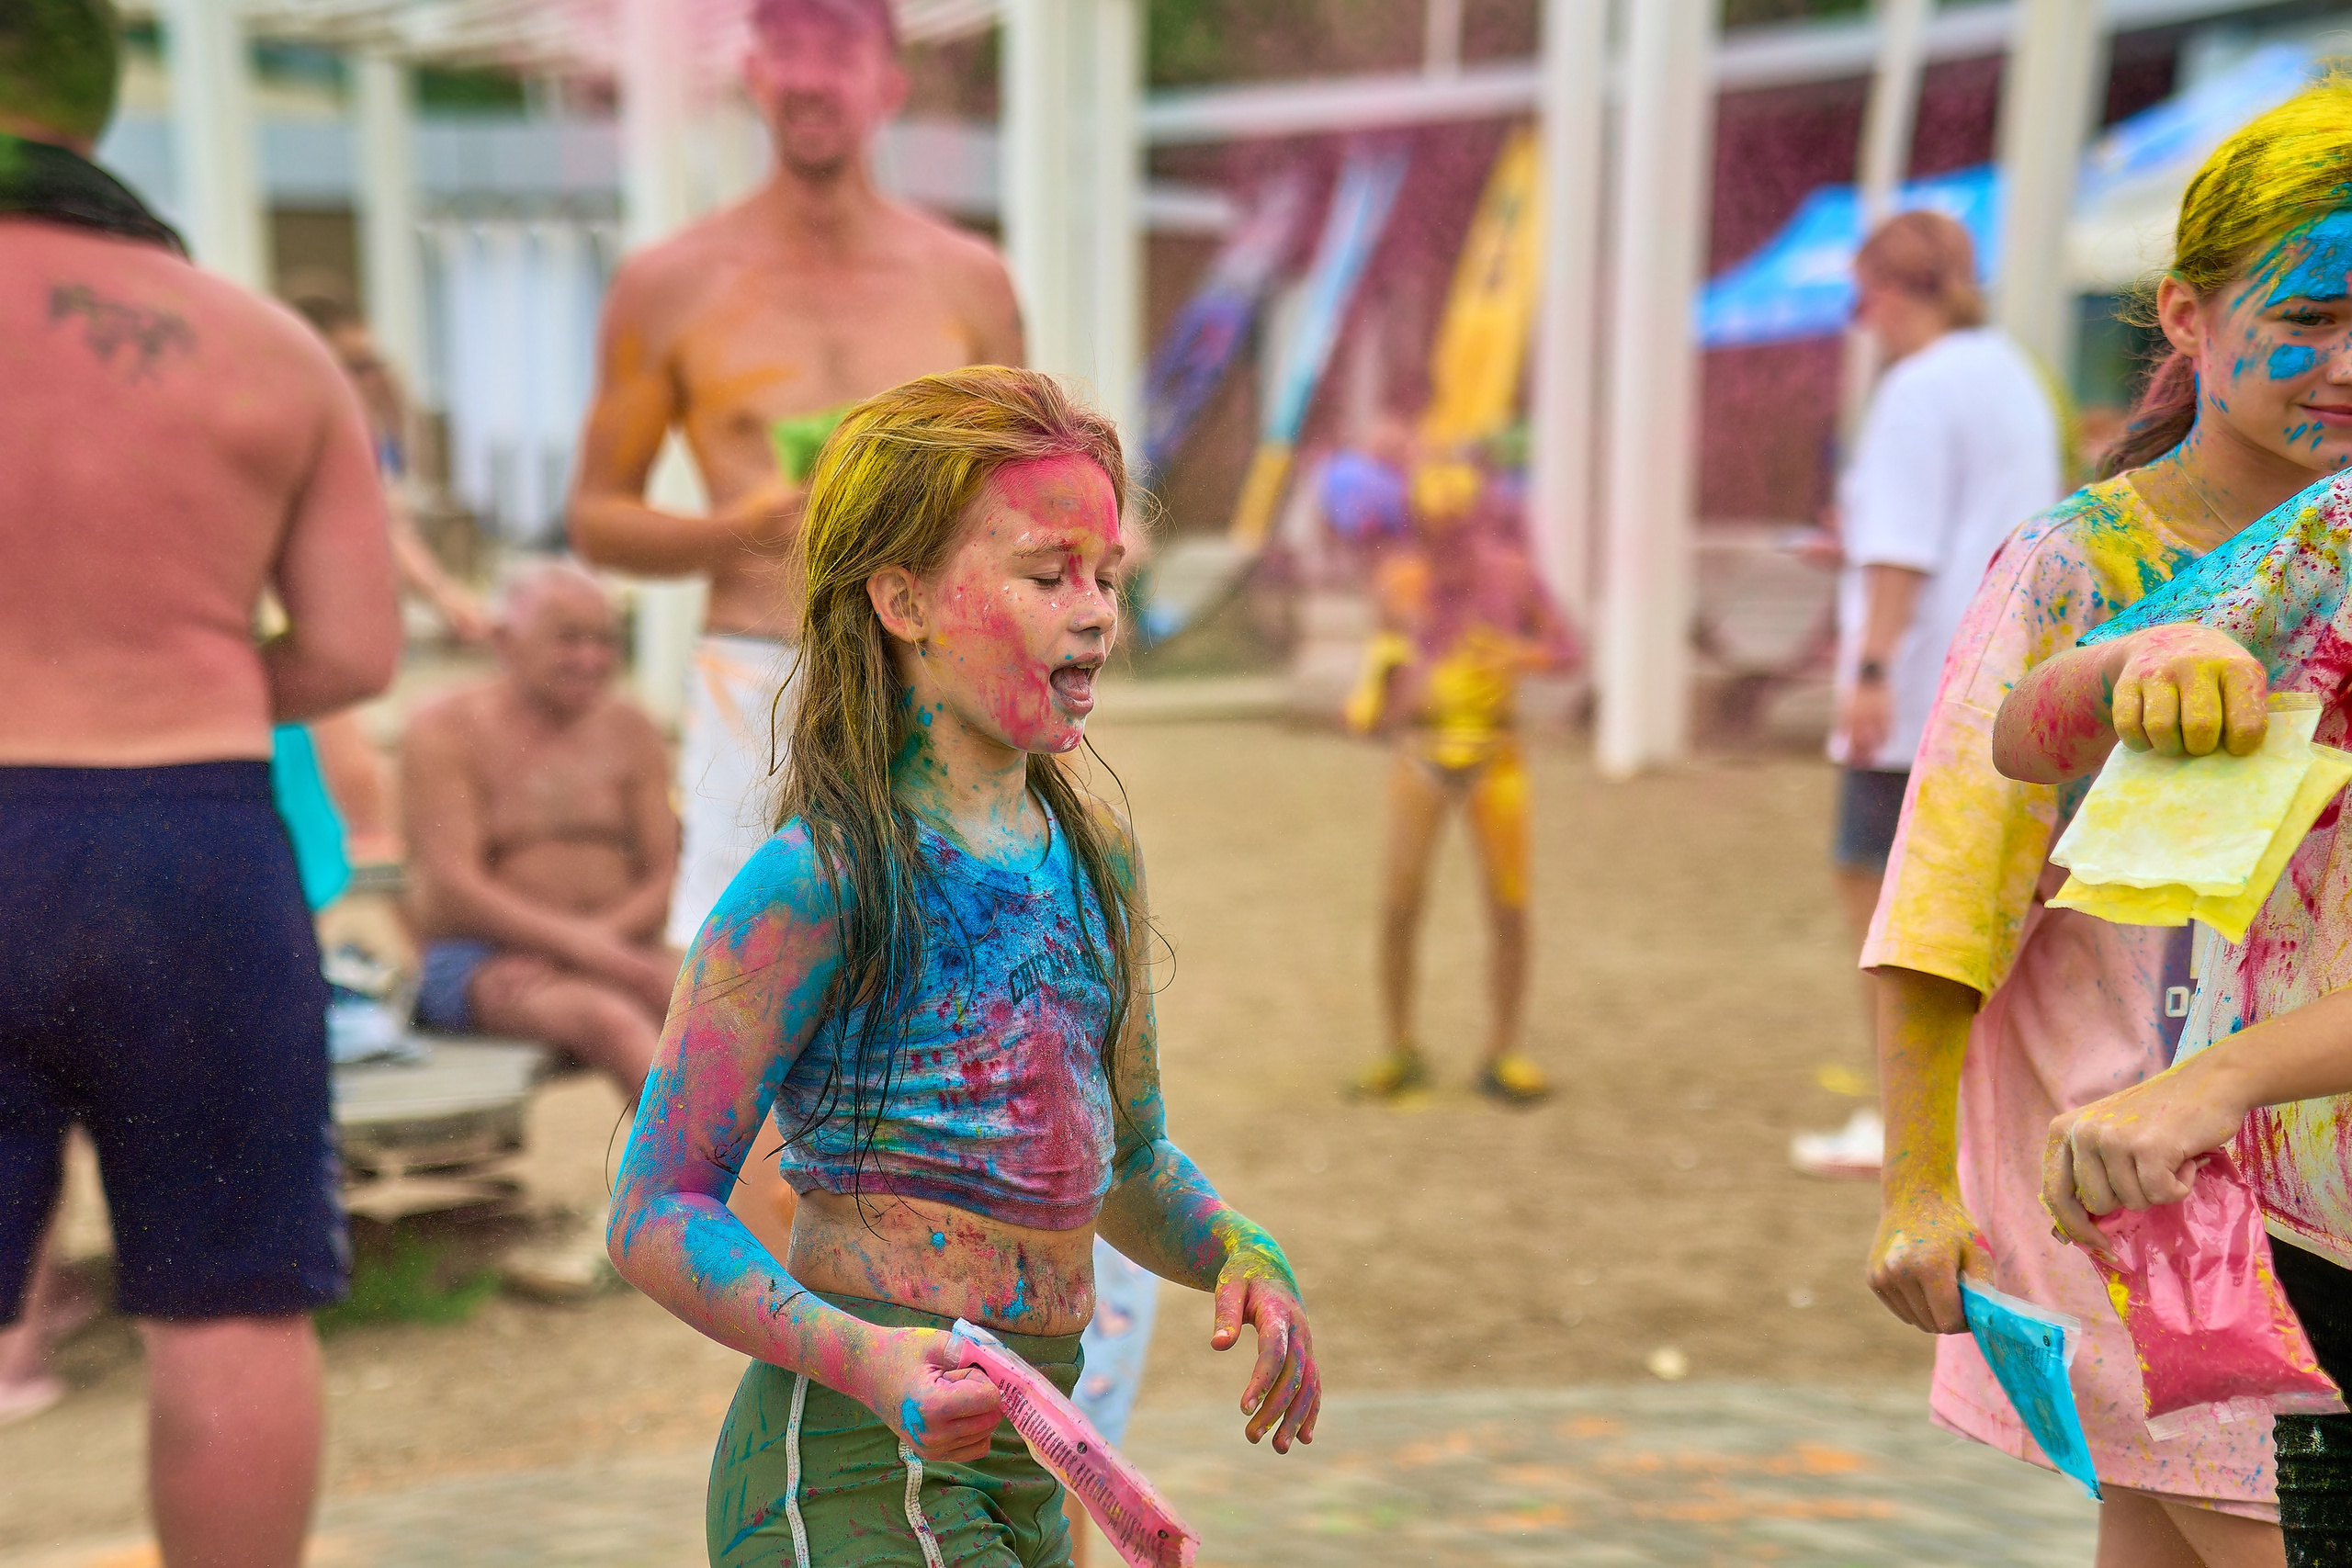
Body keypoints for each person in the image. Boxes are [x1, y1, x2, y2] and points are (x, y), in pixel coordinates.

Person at [606, 368, 1321, 1568]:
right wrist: (870, 1357)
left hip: (1028, 1457)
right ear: (902, 599)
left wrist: (1240, 1251)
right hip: (856, 1465)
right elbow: (651, 1208)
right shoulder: (821, 879)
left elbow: (1127, 1161)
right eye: (1047, 575)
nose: (1094, 614)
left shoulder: (1093, 855)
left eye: (1106, 576)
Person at [1888, 85, 2352, 1566]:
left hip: (2309, 1175)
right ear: (2187, 315)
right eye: (2311, 318)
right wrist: (1916, 1184)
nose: (2347, 364)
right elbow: (1949, 887)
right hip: (2131, 1187)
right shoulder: (2079, 566)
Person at [0, 3, 401, 1561]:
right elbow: (354, 650)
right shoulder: (267, 348)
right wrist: (192, 674)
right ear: (102, 105)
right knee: (230, 1304)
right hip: (194, 843)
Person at [570, 0, 1021, 1258]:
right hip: (755, 673)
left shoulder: (968, 280)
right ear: (753, 76)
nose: (813, 76)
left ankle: (937, 1287)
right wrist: (741, 527)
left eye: (841, 47)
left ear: (889, 79)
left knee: (963, 970)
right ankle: (796, 1318)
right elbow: (598, 518)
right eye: (788, 47)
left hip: (934, 672)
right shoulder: (671, 282)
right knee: (746, 992)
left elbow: (1023, 488)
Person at [1795, 209, 2065, 1179]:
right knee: (1999, 910)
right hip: (2012, 680)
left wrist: (1868, 669)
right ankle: (1996, 1114)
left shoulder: (1916, 387)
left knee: (1880, 900)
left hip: (1923, 689)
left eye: (1858, 298)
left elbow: (1902, 550)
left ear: (1887, 293)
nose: (1860, 319)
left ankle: (1907, 1121)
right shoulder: (2011, 373)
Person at [1344, 458, 1577, 1103]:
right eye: (1433, 531)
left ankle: (1503, 1049)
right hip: (1420, 750)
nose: (1446, 544)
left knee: (1509, 905)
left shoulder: (1512, 574)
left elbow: (1567, 648)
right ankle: (1400, 1047)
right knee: (1398, 904)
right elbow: (1380, 679)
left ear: (1478, 524)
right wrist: (1380, 689)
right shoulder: (1401, 580)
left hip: (1495, 753)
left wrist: (1519, 653)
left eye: (1456, 530)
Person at [402, 563, 678, 1102]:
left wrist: (591, 947)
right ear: (504, 641)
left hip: (617, 945)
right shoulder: (446, 729)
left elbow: (668, 872)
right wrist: (578, 946)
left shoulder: (631, 728)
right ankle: (687, 1161)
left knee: (724, 1008)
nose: (590, 659)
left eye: (604, 640)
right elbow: (451, 888)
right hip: (485, 961)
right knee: (613, 1021)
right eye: (567, 639)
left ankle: (776, 1159)